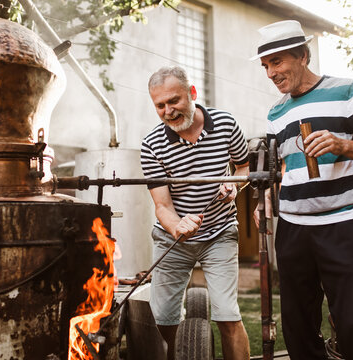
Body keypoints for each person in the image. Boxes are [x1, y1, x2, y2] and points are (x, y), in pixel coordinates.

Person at [251, 20, 353, 360]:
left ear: (303, 55)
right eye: (265, 66)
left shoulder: (346, 91)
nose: (271, 73)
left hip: (345, 225)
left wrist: (342, 145)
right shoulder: (276, 112)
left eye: (277, 62)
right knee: (298, 329)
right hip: (294, 229)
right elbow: (281, 170)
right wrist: (268, 201)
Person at [140, 66, 251, 360]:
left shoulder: (226, 124)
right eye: (159, 105)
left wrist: (234, 185)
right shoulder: (151, 145)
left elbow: (243, 167)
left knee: (228, 315)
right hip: (171, 239)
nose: (167, 111)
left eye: (173, 101)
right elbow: (162, 206)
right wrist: (178, 226)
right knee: (161, 320)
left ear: (192, 93)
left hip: (219, 233)